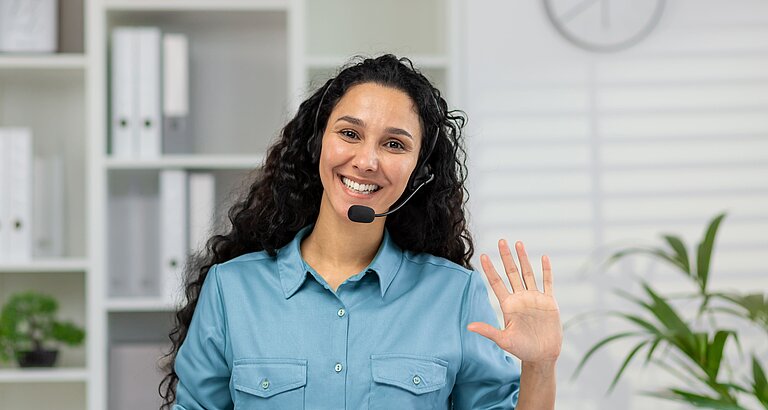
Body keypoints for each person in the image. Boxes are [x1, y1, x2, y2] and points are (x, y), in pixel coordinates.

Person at [160, 54, 562, 409]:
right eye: (350, 134)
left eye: (394, 144)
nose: (367, 161)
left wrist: (540, 366)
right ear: (317, 144)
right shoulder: (232, 289)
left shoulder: (455, 295)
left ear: (420, 172)